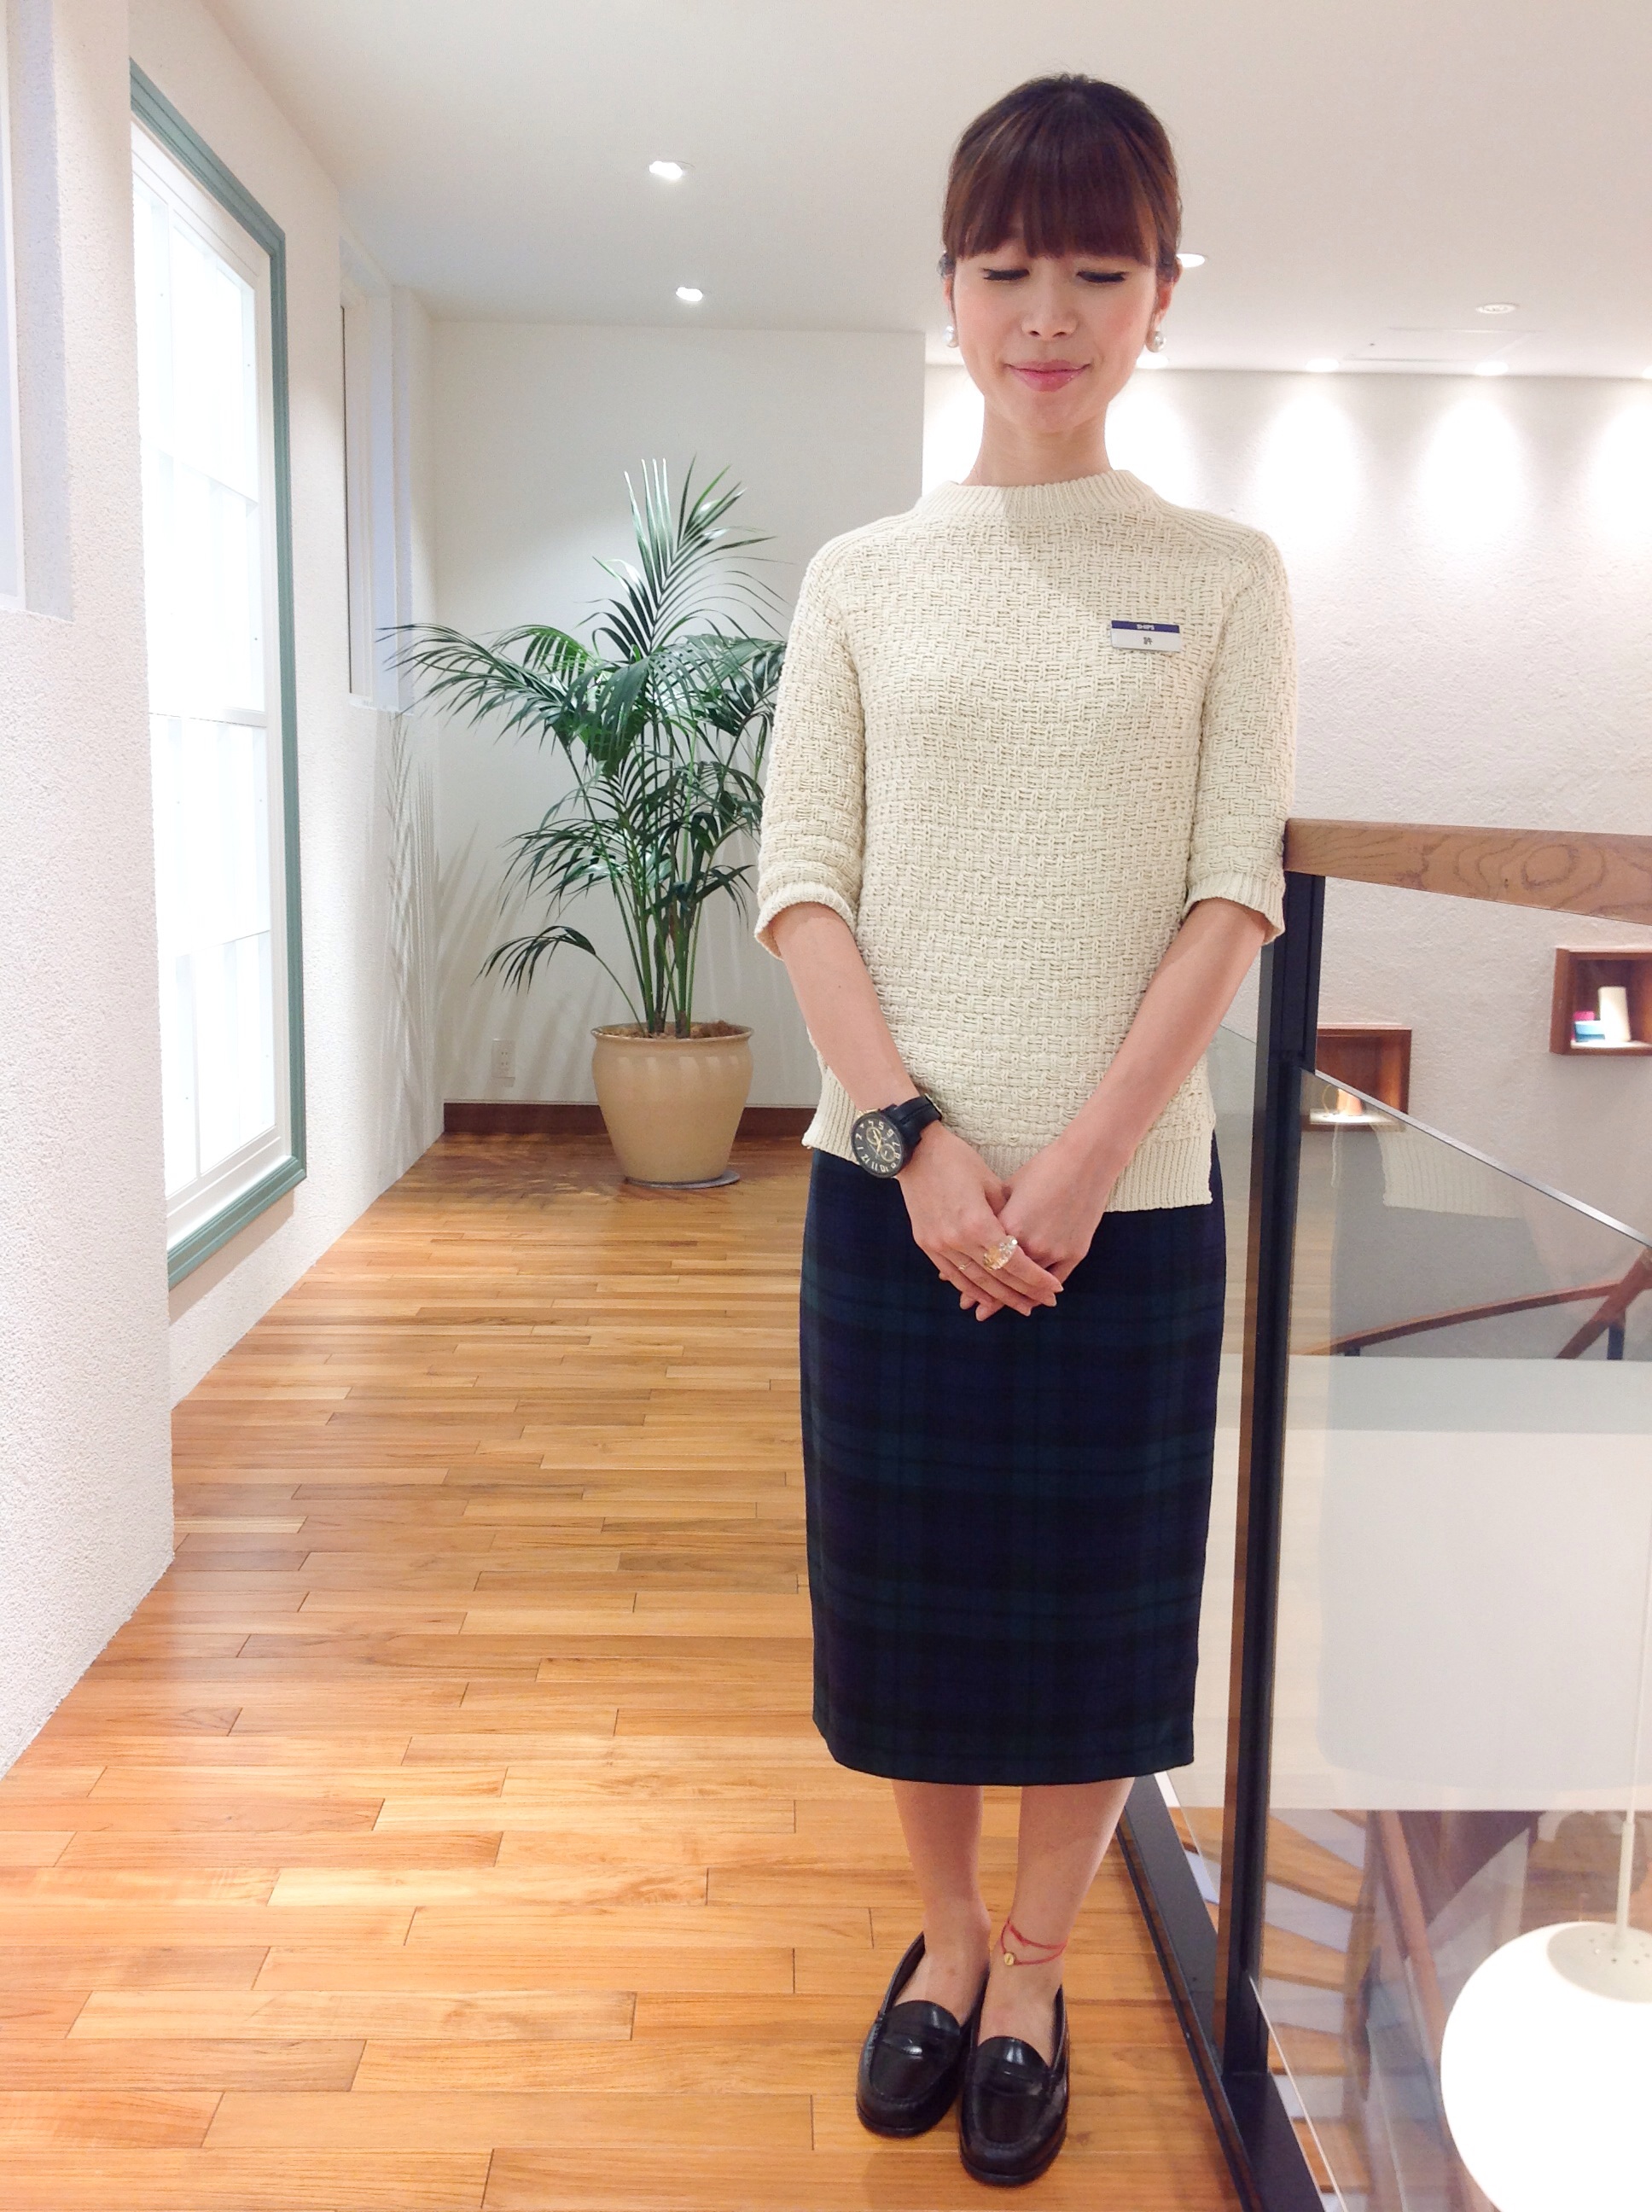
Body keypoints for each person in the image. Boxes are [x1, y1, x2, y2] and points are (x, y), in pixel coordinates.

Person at [754, 73, 1294, 2188]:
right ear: (950, 291)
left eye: (1092, 268)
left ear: (1161, 297)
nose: (1044, 312)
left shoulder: (1222, 577)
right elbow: (802, 879)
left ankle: (1043, 1966)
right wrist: (917, 1141)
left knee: (1086, 1619)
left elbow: (1228, 893)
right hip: (886, 1193)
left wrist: (1067, 1170)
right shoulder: (862, 576)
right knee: (906, 1610)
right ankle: (948, 1939)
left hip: (1122, 1211)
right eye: (1003, 268)